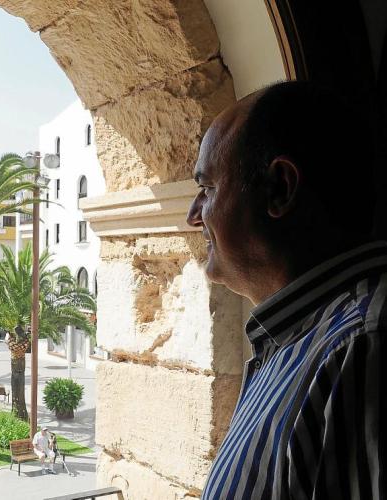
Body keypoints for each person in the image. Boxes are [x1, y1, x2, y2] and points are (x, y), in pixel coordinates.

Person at [185, 81, 384, 499]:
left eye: (207, 189)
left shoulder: (360, 348)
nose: (193, 215)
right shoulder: (303, 341)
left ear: (279, 188)